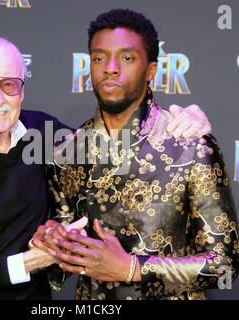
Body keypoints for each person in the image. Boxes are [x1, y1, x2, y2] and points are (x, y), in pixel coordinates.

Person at [0, 34, 210, 300]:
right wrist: (34, 261)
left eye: (9, 85)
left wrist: (182, 126)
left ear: (22, 90)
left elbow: (120, 157)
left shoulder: (41, 132)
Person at [33, 9, 239, 300]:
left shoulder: (191, 145)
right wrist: (53, 245)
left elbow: (225, 263)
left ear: (151, 70)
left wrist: (132, 268)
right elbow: (65, 254)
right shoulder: (64, 153)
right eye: (99, 58)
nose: (110, 68)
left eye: (127, 58)